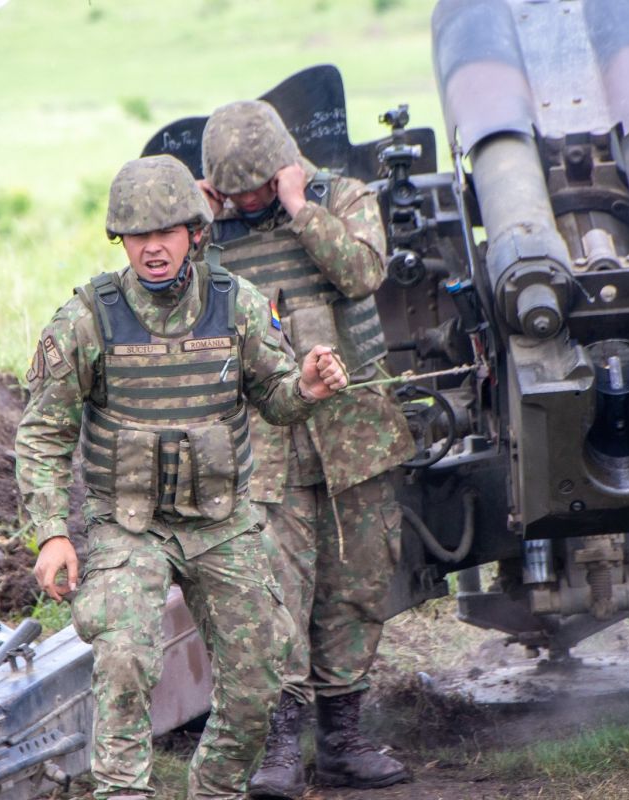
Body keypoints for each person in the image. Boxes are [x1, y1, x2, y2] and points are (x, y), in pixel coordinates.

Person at [16, 154, 349, 800]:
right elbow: (43, 431)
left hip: (222, 520)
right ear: (122, 242)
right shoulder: (90, 318)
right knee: (124, 660)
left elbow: (276, 397)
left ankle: (217, 787)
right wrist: (52, 532)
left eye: (165, 232)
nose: (151, 249)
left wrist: (306, 385)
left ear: (195, 234)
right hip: (128, 524)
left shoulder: (237, 306)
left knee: (262, 674)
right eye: (137, 236)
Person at [199, 100, 416, 797]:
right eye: (232, 192)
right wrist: (198, 228)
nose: (245, 203)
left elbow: (361, 274)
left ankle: (346, 741)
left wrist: (299, 208)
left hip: (354, 438)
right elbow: (172, 308)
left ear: (286, 168)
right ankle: (282, 749)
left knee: (355, 590)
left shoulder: (341, 198)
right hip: (264, 447)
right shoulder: (206, 233)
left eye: (257, 188)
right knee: (275, 600)